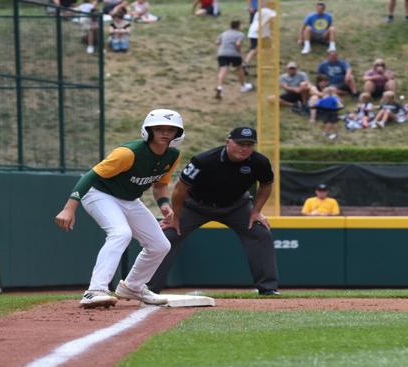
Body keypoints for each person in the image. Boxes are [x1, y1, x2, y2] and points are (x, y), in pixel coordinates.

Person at [52, 109, 182, 308]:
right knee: (120, 233)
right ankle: (95, 290)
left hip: (129, 199)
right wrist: (69, 208)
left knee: (160, 245)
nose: (165, 133)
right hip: (99, 194)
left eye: (171, 130)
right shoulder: (128, 153)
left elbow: (160, 185)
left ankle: (133, 287)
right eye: (159, 129)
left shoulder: (172, 155)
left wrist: (164, 205)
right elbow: (91, 175)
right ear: (149, 130)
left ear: (177, 134)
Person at [146, 125, 279, 297]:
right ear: (228, 142)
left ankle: (268, 289)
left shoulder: (259, 162)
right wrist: (176, 216)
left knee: (260, 233)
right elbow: (180, 188)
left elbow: (266, 185)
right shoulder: (204, 160)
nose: (244, 148)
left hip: (236, 206)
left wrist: (256, 212)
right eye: (240, 143)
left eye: (249, 144)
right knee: (168, 235)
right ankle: (148, 289)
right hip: (196, 206)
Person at [214, 19, 250, 98]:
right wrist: (239, 52)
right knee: (239, 69)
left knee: (222, 71)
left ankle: (219, 87)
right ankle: (243, 86)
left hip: (222, 54)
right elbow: (238, 44)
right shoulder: (240, 34)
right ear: (238, 26)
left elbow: (217, 42)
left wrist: (222, 49)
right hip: (234, 54)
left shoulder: (224, 33)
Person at [241, 2, 272, 68]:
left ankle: (246, 63)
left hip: (253, 32)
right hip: (258, 33)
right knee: (259, 48)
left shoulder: (259, 12)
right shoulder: (268, 12)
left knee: (254, 49)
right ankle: (266, 63)